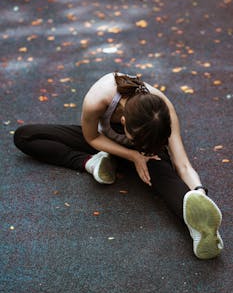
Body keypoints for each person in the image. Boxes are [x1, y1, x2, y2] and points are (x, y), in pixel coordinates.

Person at [14, 72, 223, 259]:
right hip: (104, 143)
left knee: (165, 177)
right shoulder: (98, 98)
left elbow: (183, 164)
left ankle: (201, 230)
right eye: (136, 140)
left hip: (146, 156)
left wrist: (199, 192)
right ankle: (91, 163)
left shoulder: (163, 109)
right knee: (26, 136)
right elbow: (91, 137)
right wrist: (132, 155)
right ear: (123, 121)